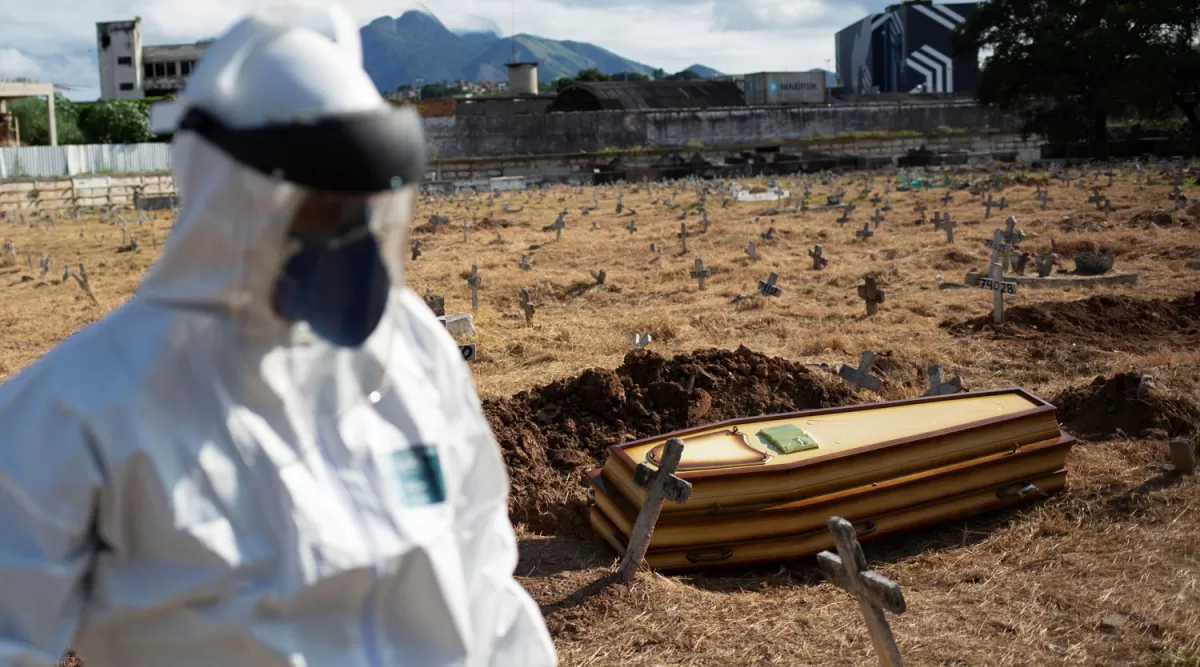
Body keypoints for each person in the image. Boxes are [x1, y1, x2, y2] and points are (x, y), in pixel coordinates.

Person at [0, 5, 557, 666]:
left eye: (365, 208)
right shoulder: (75, 417)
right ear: (227, 198)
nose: (350, 238)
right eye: (321, 207)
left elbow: (486, 584)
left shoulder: (411, 349)